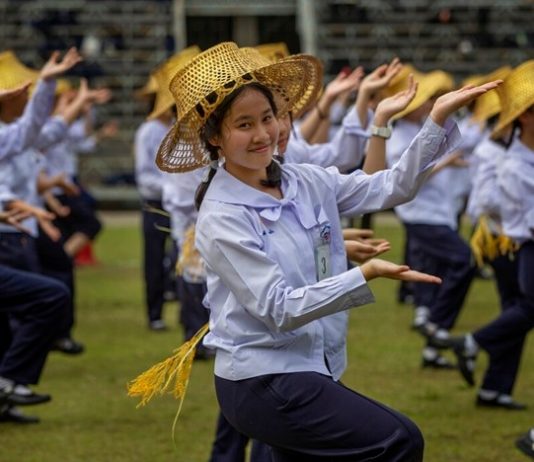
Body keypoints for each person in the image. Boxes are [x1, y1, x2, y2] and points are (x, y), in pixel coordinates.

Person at [152, 42, 502, 461]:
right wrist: (363, 275)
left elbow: (391, 186)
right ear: (214, 138)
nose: (263, 134)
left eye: (268, 118)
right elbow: (279, 308)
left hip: (310, 366)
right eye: (244, 124)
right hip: (263, 378)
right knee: (399, 439)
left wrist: (436, 120)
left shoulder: (303, 180)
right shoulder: (222, 215)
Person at [134, 46, 200, 331]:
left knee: (183, 260)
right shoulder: (149, 131)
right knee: (157, 258)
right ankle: (155, 312)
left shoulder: (181, 129)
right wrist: (170, 189)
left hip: (176, 201)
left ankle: (185, 313)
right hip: (157, 203)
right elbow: (145, 176)